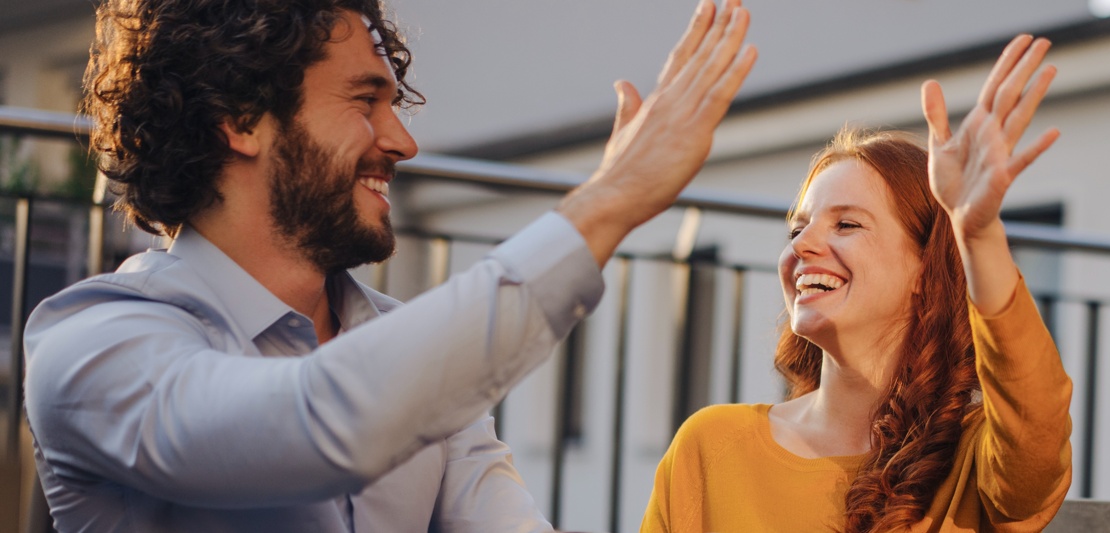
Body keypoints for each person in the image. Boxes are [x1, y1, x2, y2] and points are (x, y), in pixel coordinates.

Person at [23, 0, 756, 530]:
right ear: (242, 119)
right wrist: (605, 205)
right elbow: (317, 424)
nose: (401, 141)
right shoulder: (91, 345)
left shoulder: (418, 355)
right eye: (365, 101)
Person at [642, 35, 1073, 533]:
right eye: (798, 228)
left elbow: (1038, 427)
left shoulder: (975, 458)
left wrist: (977, 236)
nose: (802, 247)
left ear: (924, 272)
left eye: (846, 225)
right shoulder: (710, 445)